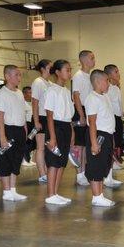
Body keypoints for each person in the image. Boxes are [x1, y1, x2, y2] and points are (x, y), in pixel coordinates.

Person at [0, 65, 28, 201]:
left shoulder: (19, 93)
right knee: (5, 160)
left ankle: (13, 190)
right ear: (7, 76)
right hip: (7, 129)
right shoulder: (2, 94)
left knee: (16, 159)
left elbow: (21, 111)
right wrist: (2, 136)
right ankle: (6, 192)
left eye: (20, 75)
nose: (19, 78)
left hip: (19, 130)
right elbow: (0, 116)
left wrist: (24, 127)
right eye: (16, 75)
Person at [44, 60, 75, 205]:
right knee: (53, 162)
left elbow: (68, 115)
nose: (69, 73)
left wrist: (72, 132)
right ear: (57, 72)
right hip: (55, 127)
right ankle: (50, 194)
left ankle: (55, 192)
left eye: (70, 70)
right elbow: (49, 116)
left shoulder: (66, 91)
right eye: (67, 70)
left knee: (62, 162)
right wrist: (52, 137)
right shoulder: (51, 90)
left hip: (66, 127)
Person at [85, 70, 117, 207]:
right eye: (106, 81)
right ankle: (96, 196)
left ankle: (100, 194)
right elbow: (92, 122)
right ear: (98, 82)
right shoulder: (92, 98)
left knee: (103, 165)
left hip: (107, 135)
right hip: (98, 135)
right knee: (95, 165)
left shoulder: (105, 96)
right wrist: (94, 143)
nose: (108, 84)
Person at [72, 50, 95, 186]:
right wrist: (81, 115)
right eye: (92, 58)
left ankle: (84, 171)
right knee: (80, 146)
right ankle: (79, 175)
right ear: (84, 60)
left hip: (90, 111)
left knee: (86, 145)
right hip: (81, 110)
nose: (94, 60)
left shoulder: (90, 76)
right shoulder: (78, 76)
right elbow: (76, 96)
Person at [31, 59, 52, 183]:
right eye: (50, 67)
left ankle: (45, 170)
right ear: (43, 69)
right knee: (40, 147)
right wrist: (36, 121)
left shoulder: (49, 83)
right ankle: (42, 174)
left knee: (46, 147)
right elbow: (35, 102)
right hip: (40, 117)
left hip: (48, 117)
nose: (52, 70)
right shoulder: (38, 82)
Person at [103, 64, 123, 187]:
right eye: (116, 72)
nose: (118, 74)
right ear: (109, 75)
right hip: (111, 120)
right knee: (109, 148)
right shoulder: (106, 89)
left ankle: (109, 176)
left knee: (115, 147)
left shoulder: (116, 88)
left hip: (118, 119)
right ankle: (106, 176)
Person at [21, 85, 36, 167]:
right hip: (26, 124)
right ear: (24, 94)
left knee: (31, 143)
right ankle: (24, 160)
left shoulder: (32, 103)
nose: (31, 94)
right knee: (26, 142)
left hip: (32, 125)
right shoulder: (23, 103)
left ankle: (28, 159)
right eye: (30, 93)